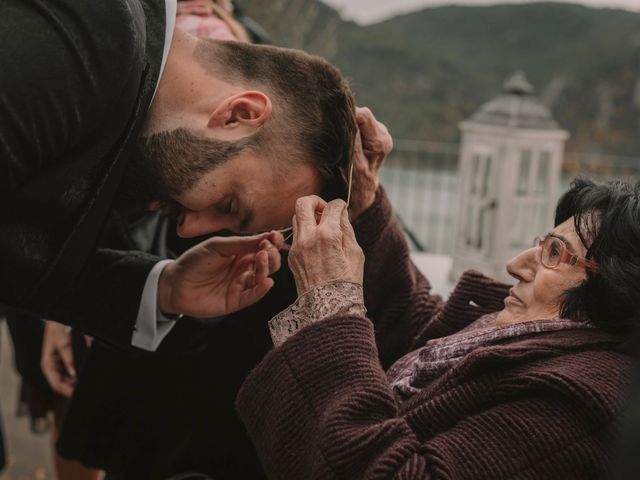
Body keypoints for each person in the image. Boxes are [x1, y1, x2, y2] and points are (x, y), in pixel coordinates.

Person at [1, 0, 356, 353]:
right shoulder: (94, 36)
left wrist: (167, 288)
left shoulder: (115, 67)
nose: (189, 230)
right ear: (238, 115)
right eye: (227, 204)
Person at [235, 178, 638, 479]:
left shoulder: (581, 402)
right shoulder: (533, 338)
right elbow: (410, 333)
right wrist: (365, 199)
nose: (516, 264)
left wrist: (331, 304)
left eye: (554, 252)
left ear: (619, 286)